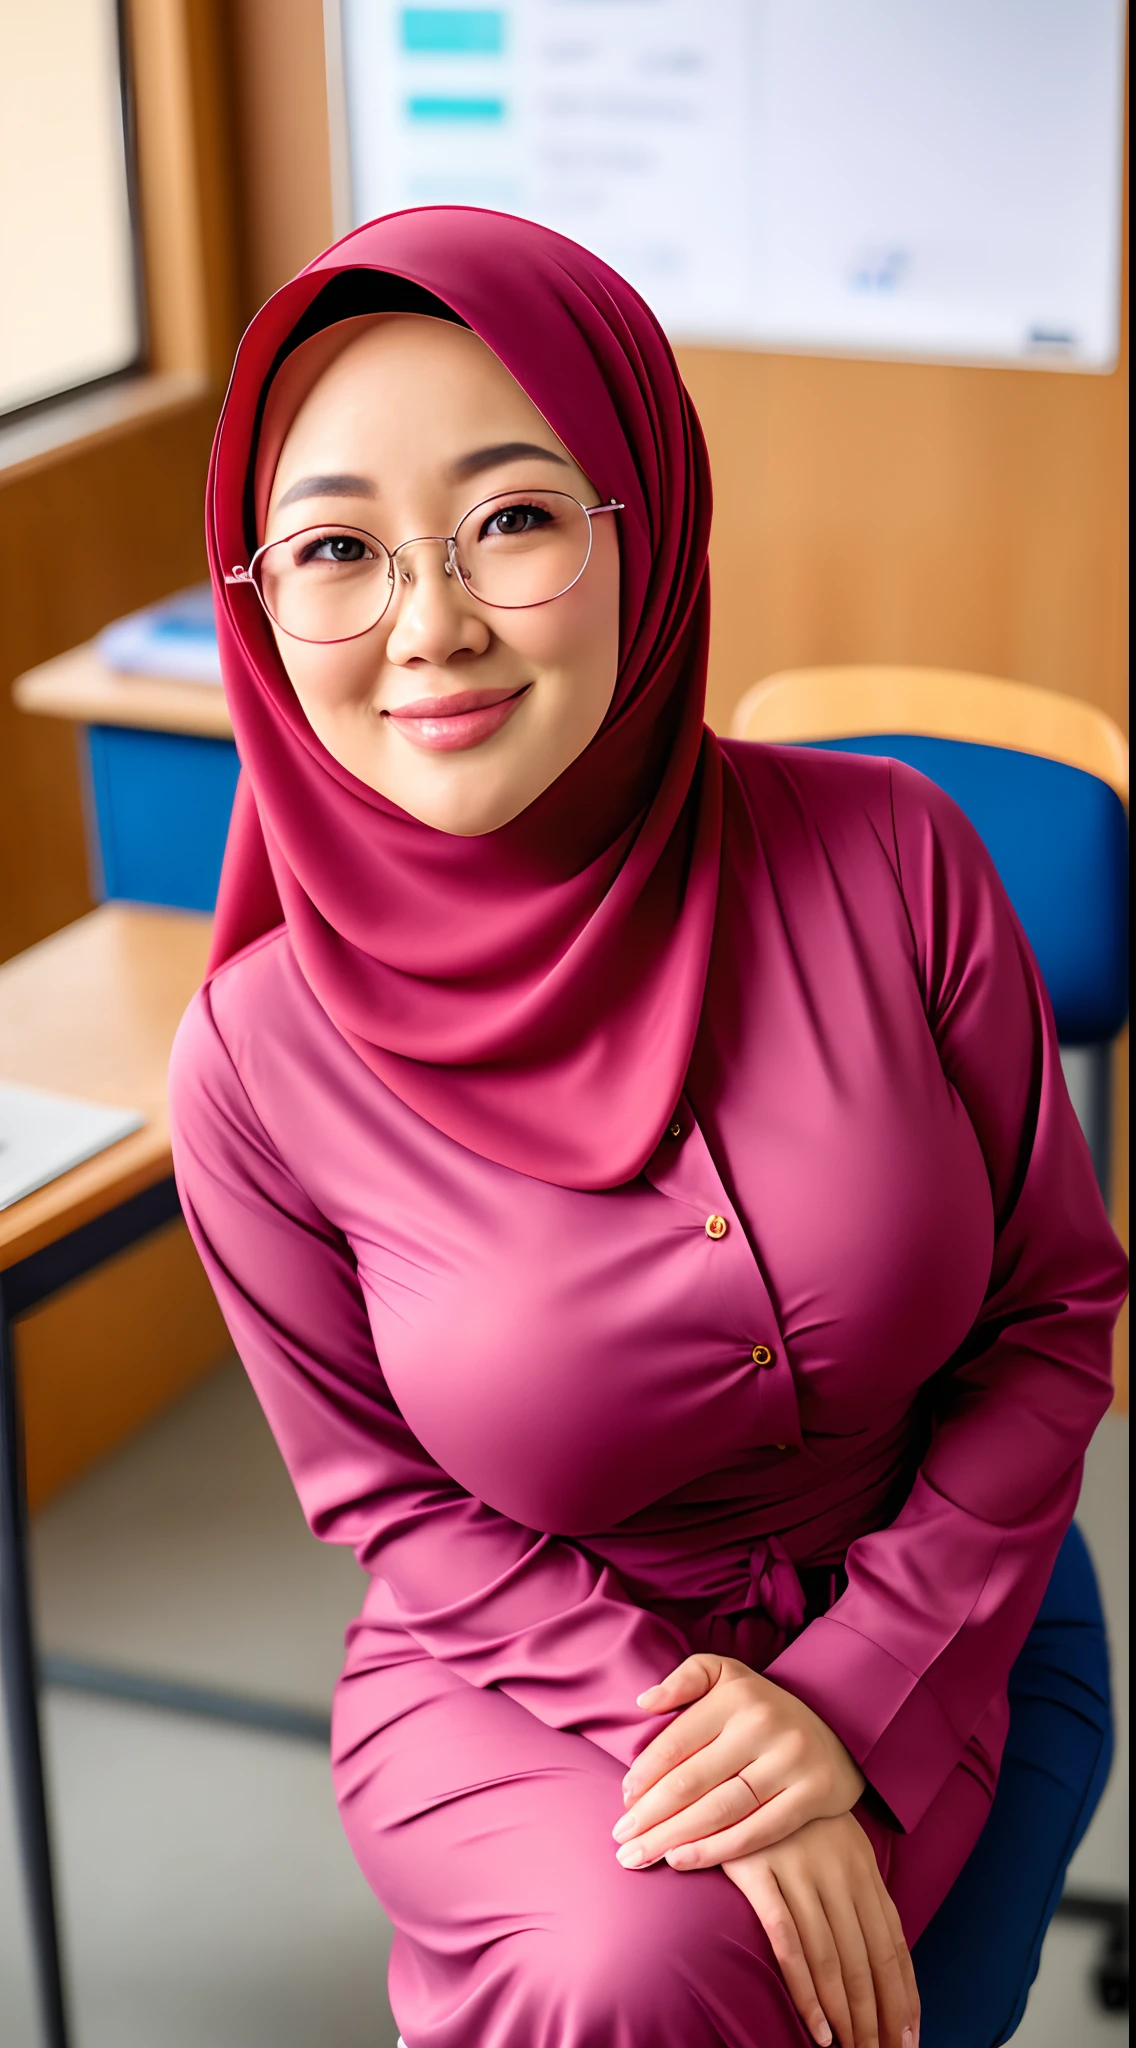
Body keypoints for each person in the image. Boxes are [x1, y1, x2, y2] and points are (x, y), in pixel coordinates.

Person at [169, 208, 1127, 2048]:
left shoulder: (898, 855)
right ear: (259, 605)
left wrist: (847, 1695)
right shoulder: (252, 1061)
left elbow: (1051, 1320)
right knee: (641, 1967)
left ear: (648, 525)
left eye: (513, 520)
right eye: (337, 552)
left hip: (954, 1599)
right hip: (531, 1672)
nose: (428, 626)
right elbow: (391, 1501)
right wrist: (719, 1741)